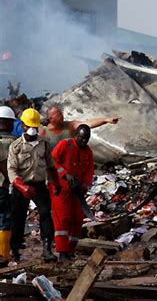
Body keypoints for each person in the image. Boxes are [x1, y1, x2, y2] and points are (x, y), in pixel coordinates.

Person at [7, 108, 61, 262]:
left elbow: (50, 166)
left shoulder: (44, 144)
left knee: (45, 214)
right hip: (21, 186)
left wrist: (56, 184)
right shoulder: (16, 146)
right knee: (18, 218)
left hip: (38, 185)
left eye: (34, 126)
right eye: (28, 126)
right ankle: (15, 250)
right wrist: (22, 187)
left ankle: (46, 248)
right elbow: (11, 170)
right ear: (22, 125)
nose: (31, 129)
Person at [51, 124, 94, 262]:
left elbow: (89, 172)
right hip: (61, 189)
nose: (84, 141)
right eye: (81, 138)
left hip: (77, 191)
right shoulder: (65, 145)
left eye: (86, 139)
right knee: (63, 219)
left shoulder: (88, 152)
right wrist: (65, 174)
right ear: (76, 135)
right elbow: (52, 161)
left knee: (76, 219)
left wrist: (84, 187)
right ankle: (62, 251)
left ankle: (70, 249)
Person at [39, 105, 119, 149]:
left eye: (61, 113)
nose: (62, 116)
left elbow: (87, 124)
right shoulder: (44, 132)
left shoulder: (70, 126)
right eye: (59, 115)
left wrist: (106, 120)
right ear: (51, 118)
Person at [0, 106, 17, 264]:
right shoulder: (14, 142)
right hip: (2, 186)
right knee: (4, 218)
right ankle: (4, 255)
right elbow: (6, 165)